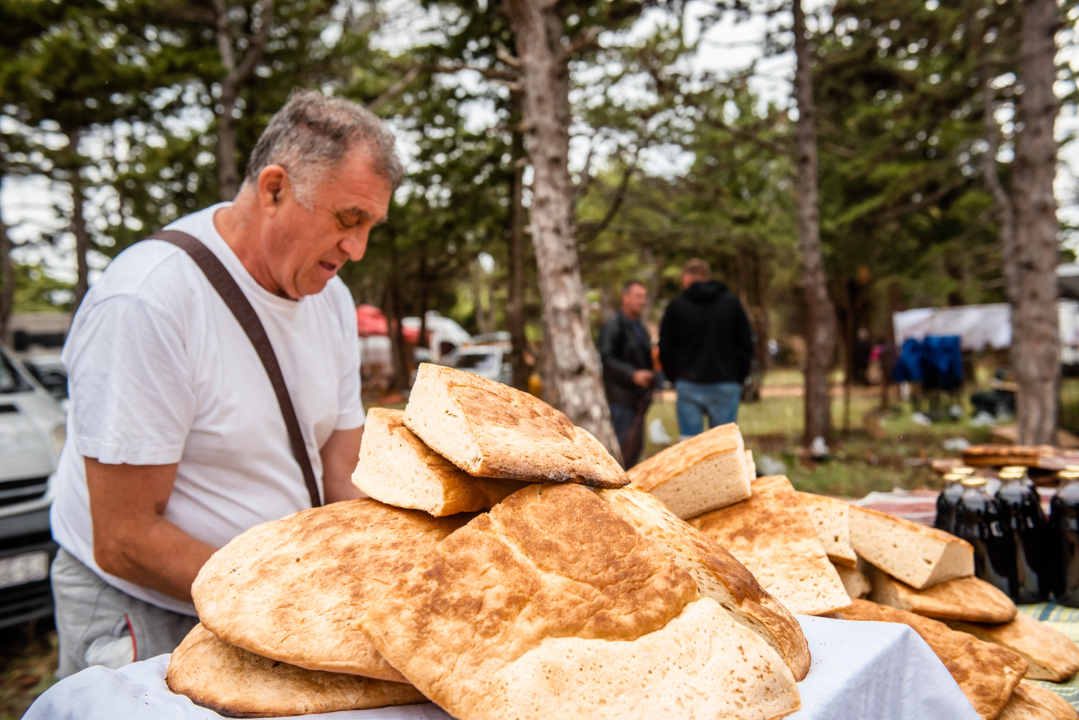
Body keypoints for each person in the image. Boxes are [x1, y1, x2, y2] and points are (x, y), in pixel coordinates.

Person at [48, 90, 402, 678]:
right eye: (348, 220)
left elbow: (342, 466)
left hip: (271, 608)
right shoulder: (149, 299)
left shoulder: (332, 300)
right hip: (147, 615)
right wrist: (288, 598)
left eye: (370, 226)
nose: (358, 249)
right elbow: (125, 538)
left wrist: (407, 559)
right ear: (273, 189)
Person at [659, 259, 753, 439]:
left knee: (690, 445)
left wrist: (674, 377)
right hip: (725, 382)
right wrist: (737, 377)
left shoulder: (677, 306)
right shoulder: (732, 303)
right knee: (723, 444)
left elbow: (665, 347)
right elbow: (746, 343)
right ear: (707, 276)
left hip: (688, 383)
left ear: (687, 277)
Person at [598, 281, 654, 468]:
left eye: (644, 297)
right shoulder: (613, 326)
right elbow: (607, 358)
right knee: (621, 450)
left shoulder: (640, 327)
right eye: (638, 296)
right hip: (620, 400)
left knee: (635, 448)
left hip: (637, 399)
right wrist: (633, 374)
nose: (642, 301)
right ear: (625, 297)